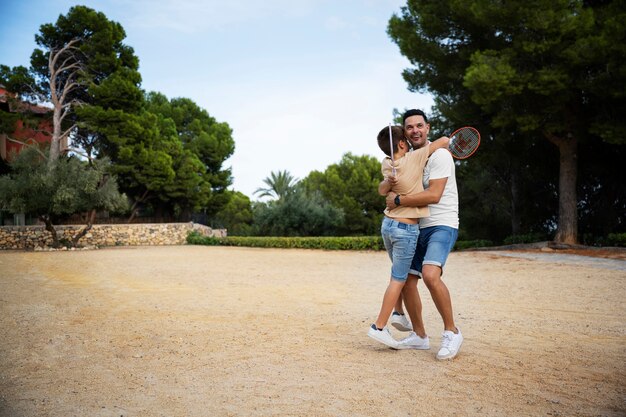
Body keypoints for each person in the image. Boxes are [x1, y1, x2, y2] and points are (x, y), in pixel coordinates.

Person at [384, 109, 463, 360]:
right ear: (404, 135)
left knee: (430, 275)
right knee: (406, 279)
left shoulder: (440, 155)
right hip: (417, 226)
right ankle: (419, 336)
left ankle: (452, 331)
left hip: (442, 224)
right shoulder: (410, 160)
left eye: (419, 125)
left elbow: (434, 195)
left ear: (427, 128)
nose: (415, 130)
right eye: (410, 127)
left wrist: (398, 199)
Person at [367, 124, 449, 349]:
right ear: (403, 144)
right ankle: (380, 327)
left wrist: (388, 183)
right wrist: (449, 142)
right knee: (399, 279)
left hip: (388, 225)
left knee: (398, 274)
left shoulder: (387, 164)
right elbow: (442, 142)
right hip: (405, 229)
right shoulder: (413, 158)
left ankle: (399, 314)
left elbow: (382, 190)